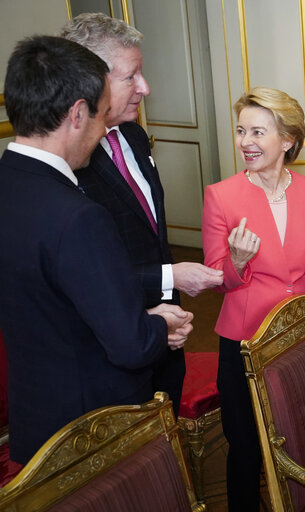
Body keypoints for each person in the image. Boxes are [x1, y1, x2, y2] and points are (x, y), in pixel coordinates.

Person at [0, 35, 194, 465]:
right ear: (77, 114)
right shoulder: (78, 217)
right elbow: (130, 346)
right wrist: (158, 324)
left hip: (38, 421)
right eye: (100, 115)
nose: (104, 127)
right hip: (96, 430)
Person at [59, 13, 223, 416]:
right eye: (132, 77)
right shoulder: (66, 160)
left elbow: (149, 233)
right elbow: (79, 277)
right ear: (91, 81)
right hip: (111, 352)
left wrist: (169, 306)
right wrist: (171, 277)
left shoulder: (132, 133)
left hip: (168, 333)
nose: (145, 89)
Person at [201, 86, 305, 511]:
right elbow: (215, 278)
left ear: (288, 140)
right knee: (245, 446)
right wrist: (237, 263)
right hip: (244, 340)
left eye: (258, 132)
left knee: (302, 433)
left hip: (298, 335)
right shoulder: (220, 196)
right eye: (241, 131)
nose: (245, 142)